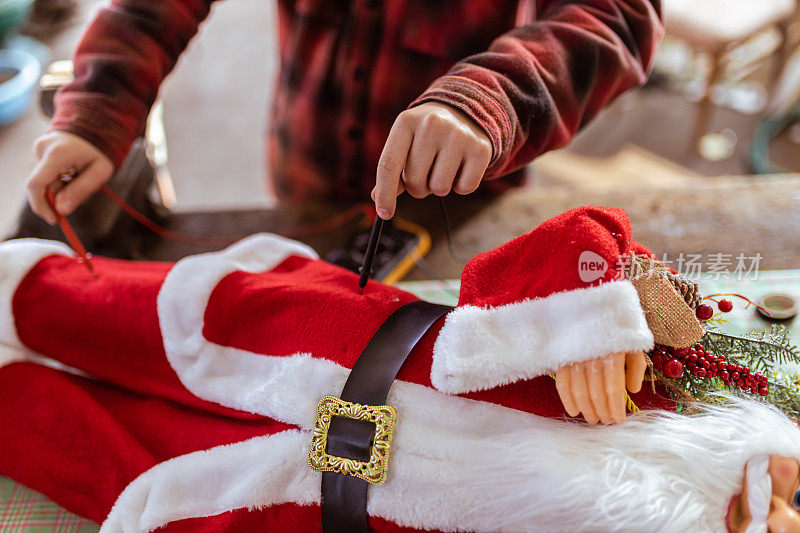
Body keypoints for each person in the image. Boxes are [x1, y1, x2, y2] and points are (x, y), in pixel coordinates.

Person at [1, 205, 799, 531]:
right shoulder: (703, 392)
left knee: (88, 450)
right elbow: (595, 243)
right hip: (338, 344)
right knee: (131, 313)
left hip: (305, 498)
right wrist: (596, 314)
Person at [25, 0, 662, 226]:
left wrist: (492, 96)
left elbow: (616, 15)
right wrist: (100, 110)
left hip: (460, 191)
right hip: (307, 173)